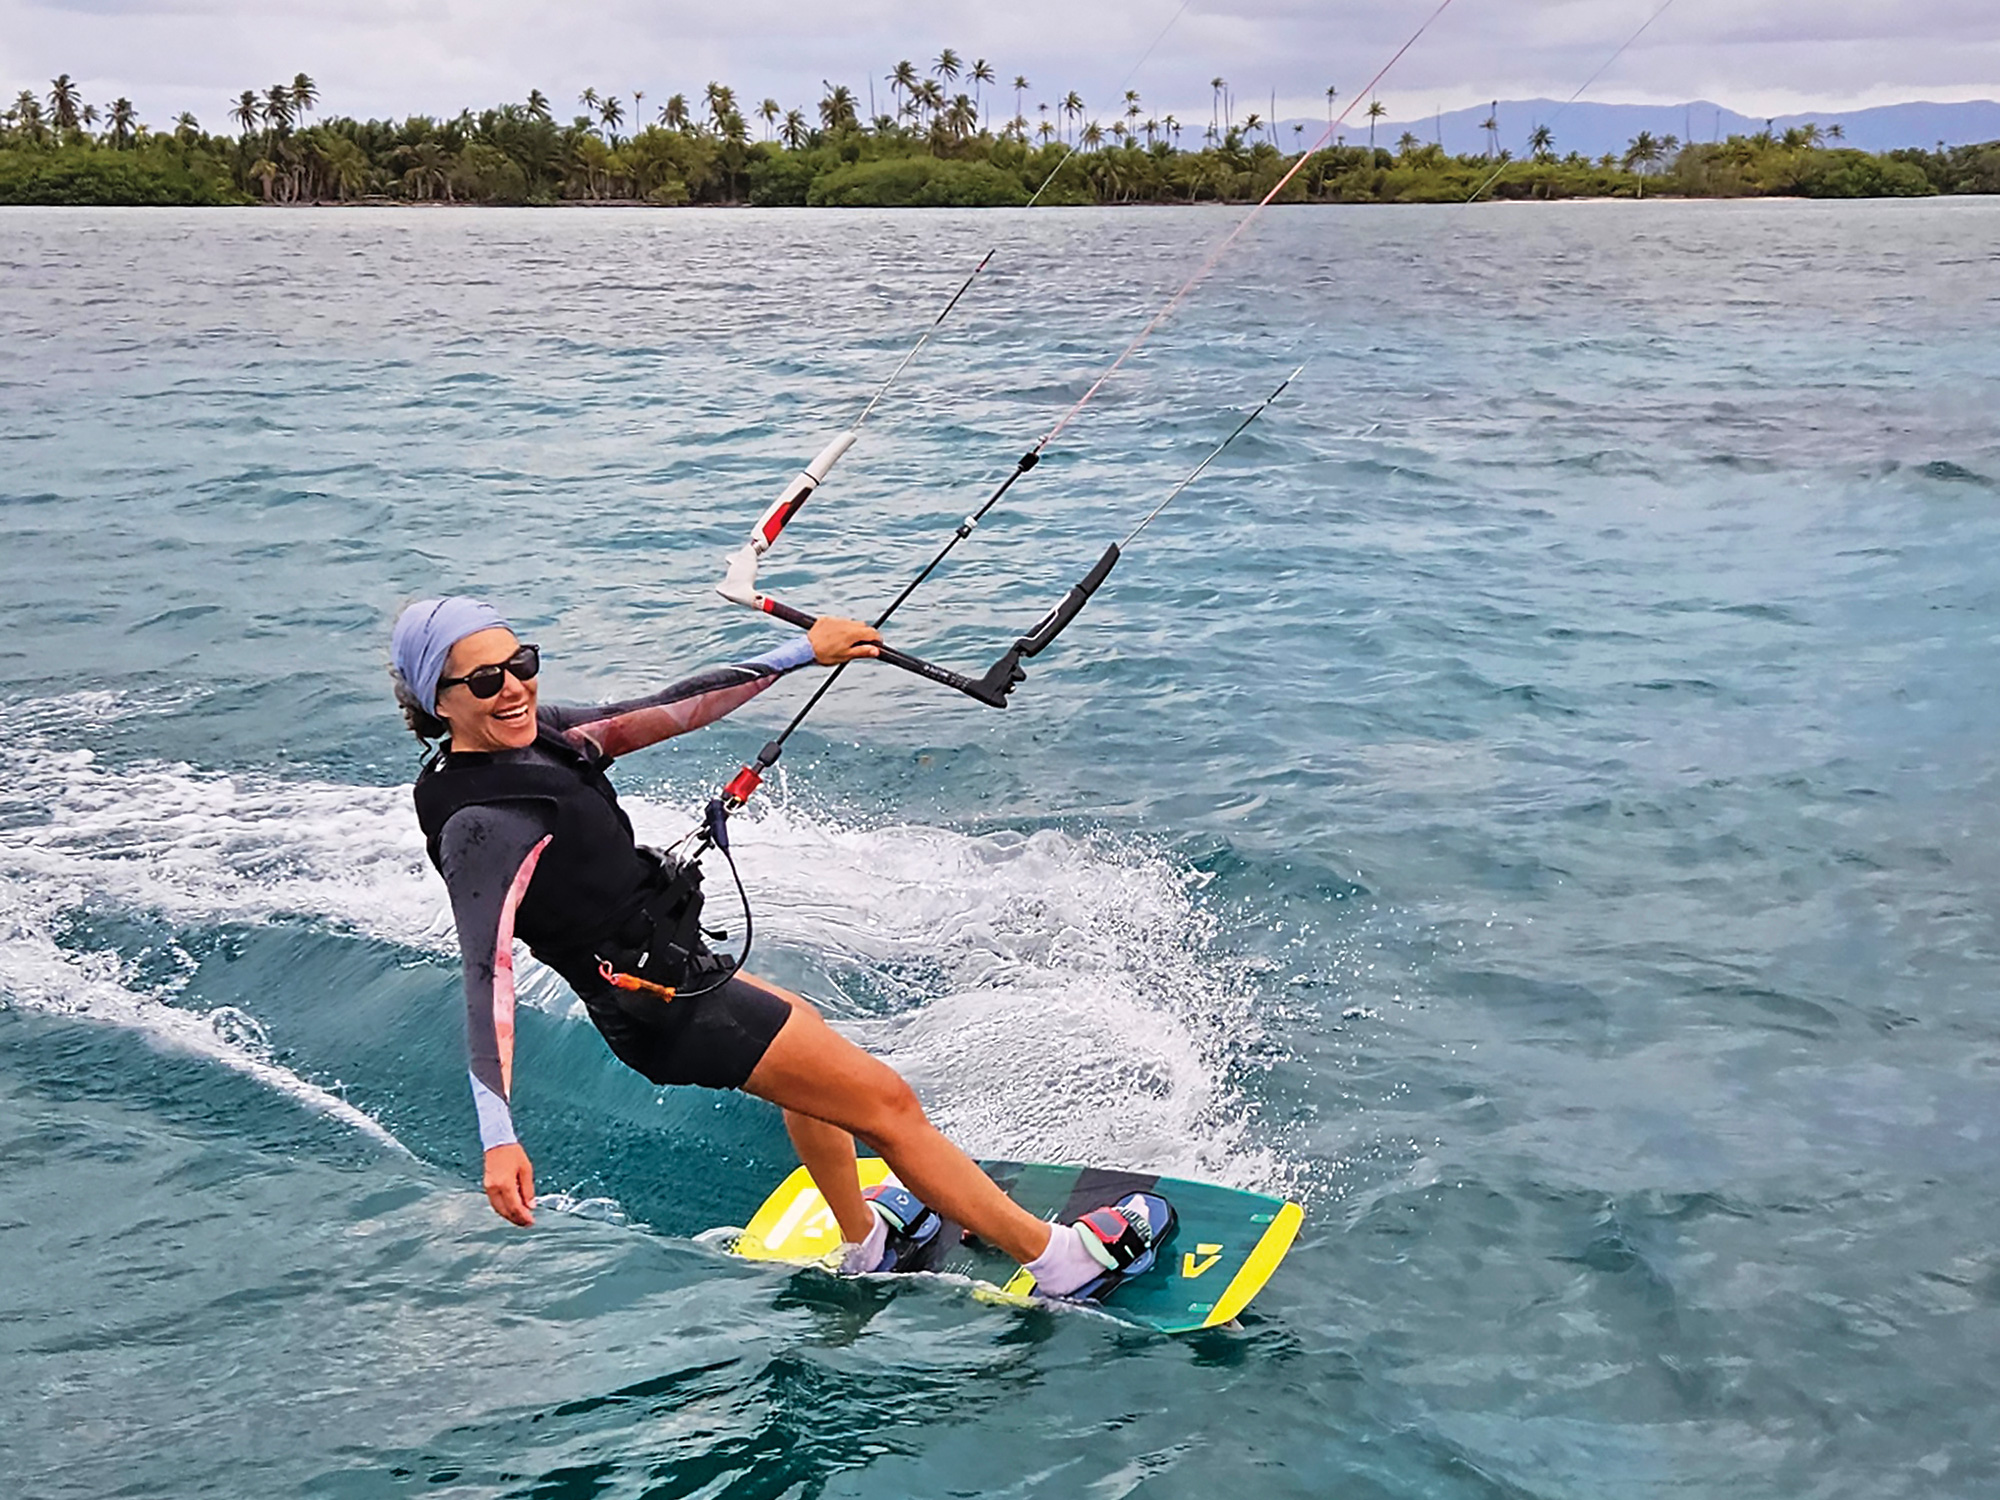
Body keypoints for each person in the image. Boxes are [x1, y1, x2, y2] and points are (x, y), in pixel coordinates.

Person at [389, 596, 1170, 1299]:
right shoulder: (480, 822)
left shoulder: (539, 739)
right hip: (666, 1009)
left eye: (520, 663)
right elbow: (484, 972)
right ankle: (1057, 1261)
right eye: (485, 681)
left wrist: (804, 652)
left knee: (811, 1064)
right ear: (438, 700)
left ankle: (865, 1241)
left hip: (675, 981)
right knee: (888, 1103)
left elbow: (665, 711)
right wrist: (499, 1138)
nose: (515, 688)